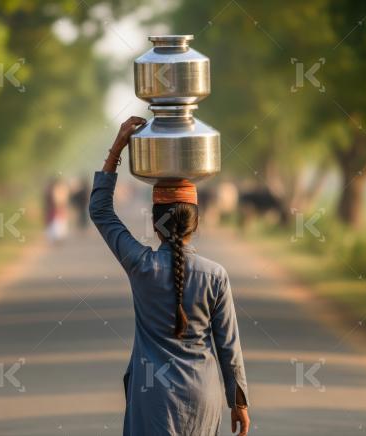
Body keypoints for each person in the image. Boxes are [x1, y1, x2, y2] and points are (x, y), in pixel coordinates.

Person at [89, 117, 251, 436]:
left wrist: (117, 149)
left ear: (155, 222)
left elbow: (101, 212)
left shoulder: (140, 264)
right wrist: (239, 403)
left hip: (152, 398)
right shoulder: (215, 275)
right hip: (202, 396)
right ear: (196, 222)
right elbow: (228, 346)